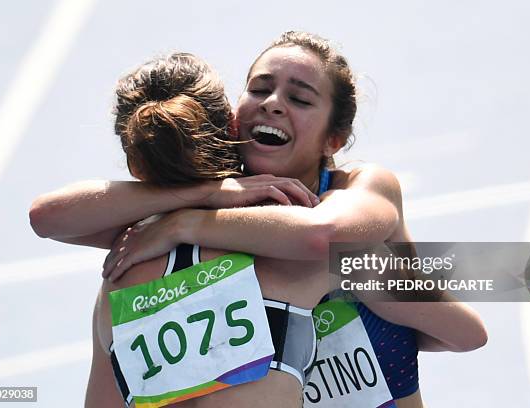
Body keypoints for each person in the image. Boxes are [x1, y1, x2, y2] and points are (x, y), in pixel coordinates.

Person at [30, 32, 487, 408]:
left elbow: (464, 330)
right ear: (233, 117)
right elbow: (48, 216)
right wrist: (204, 196)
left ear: (335, 138)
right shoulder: (215, 201)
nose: (272, 103)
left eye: (299, 98)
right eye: (260, 88)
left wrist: (184, 224)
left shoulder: (356, 192)